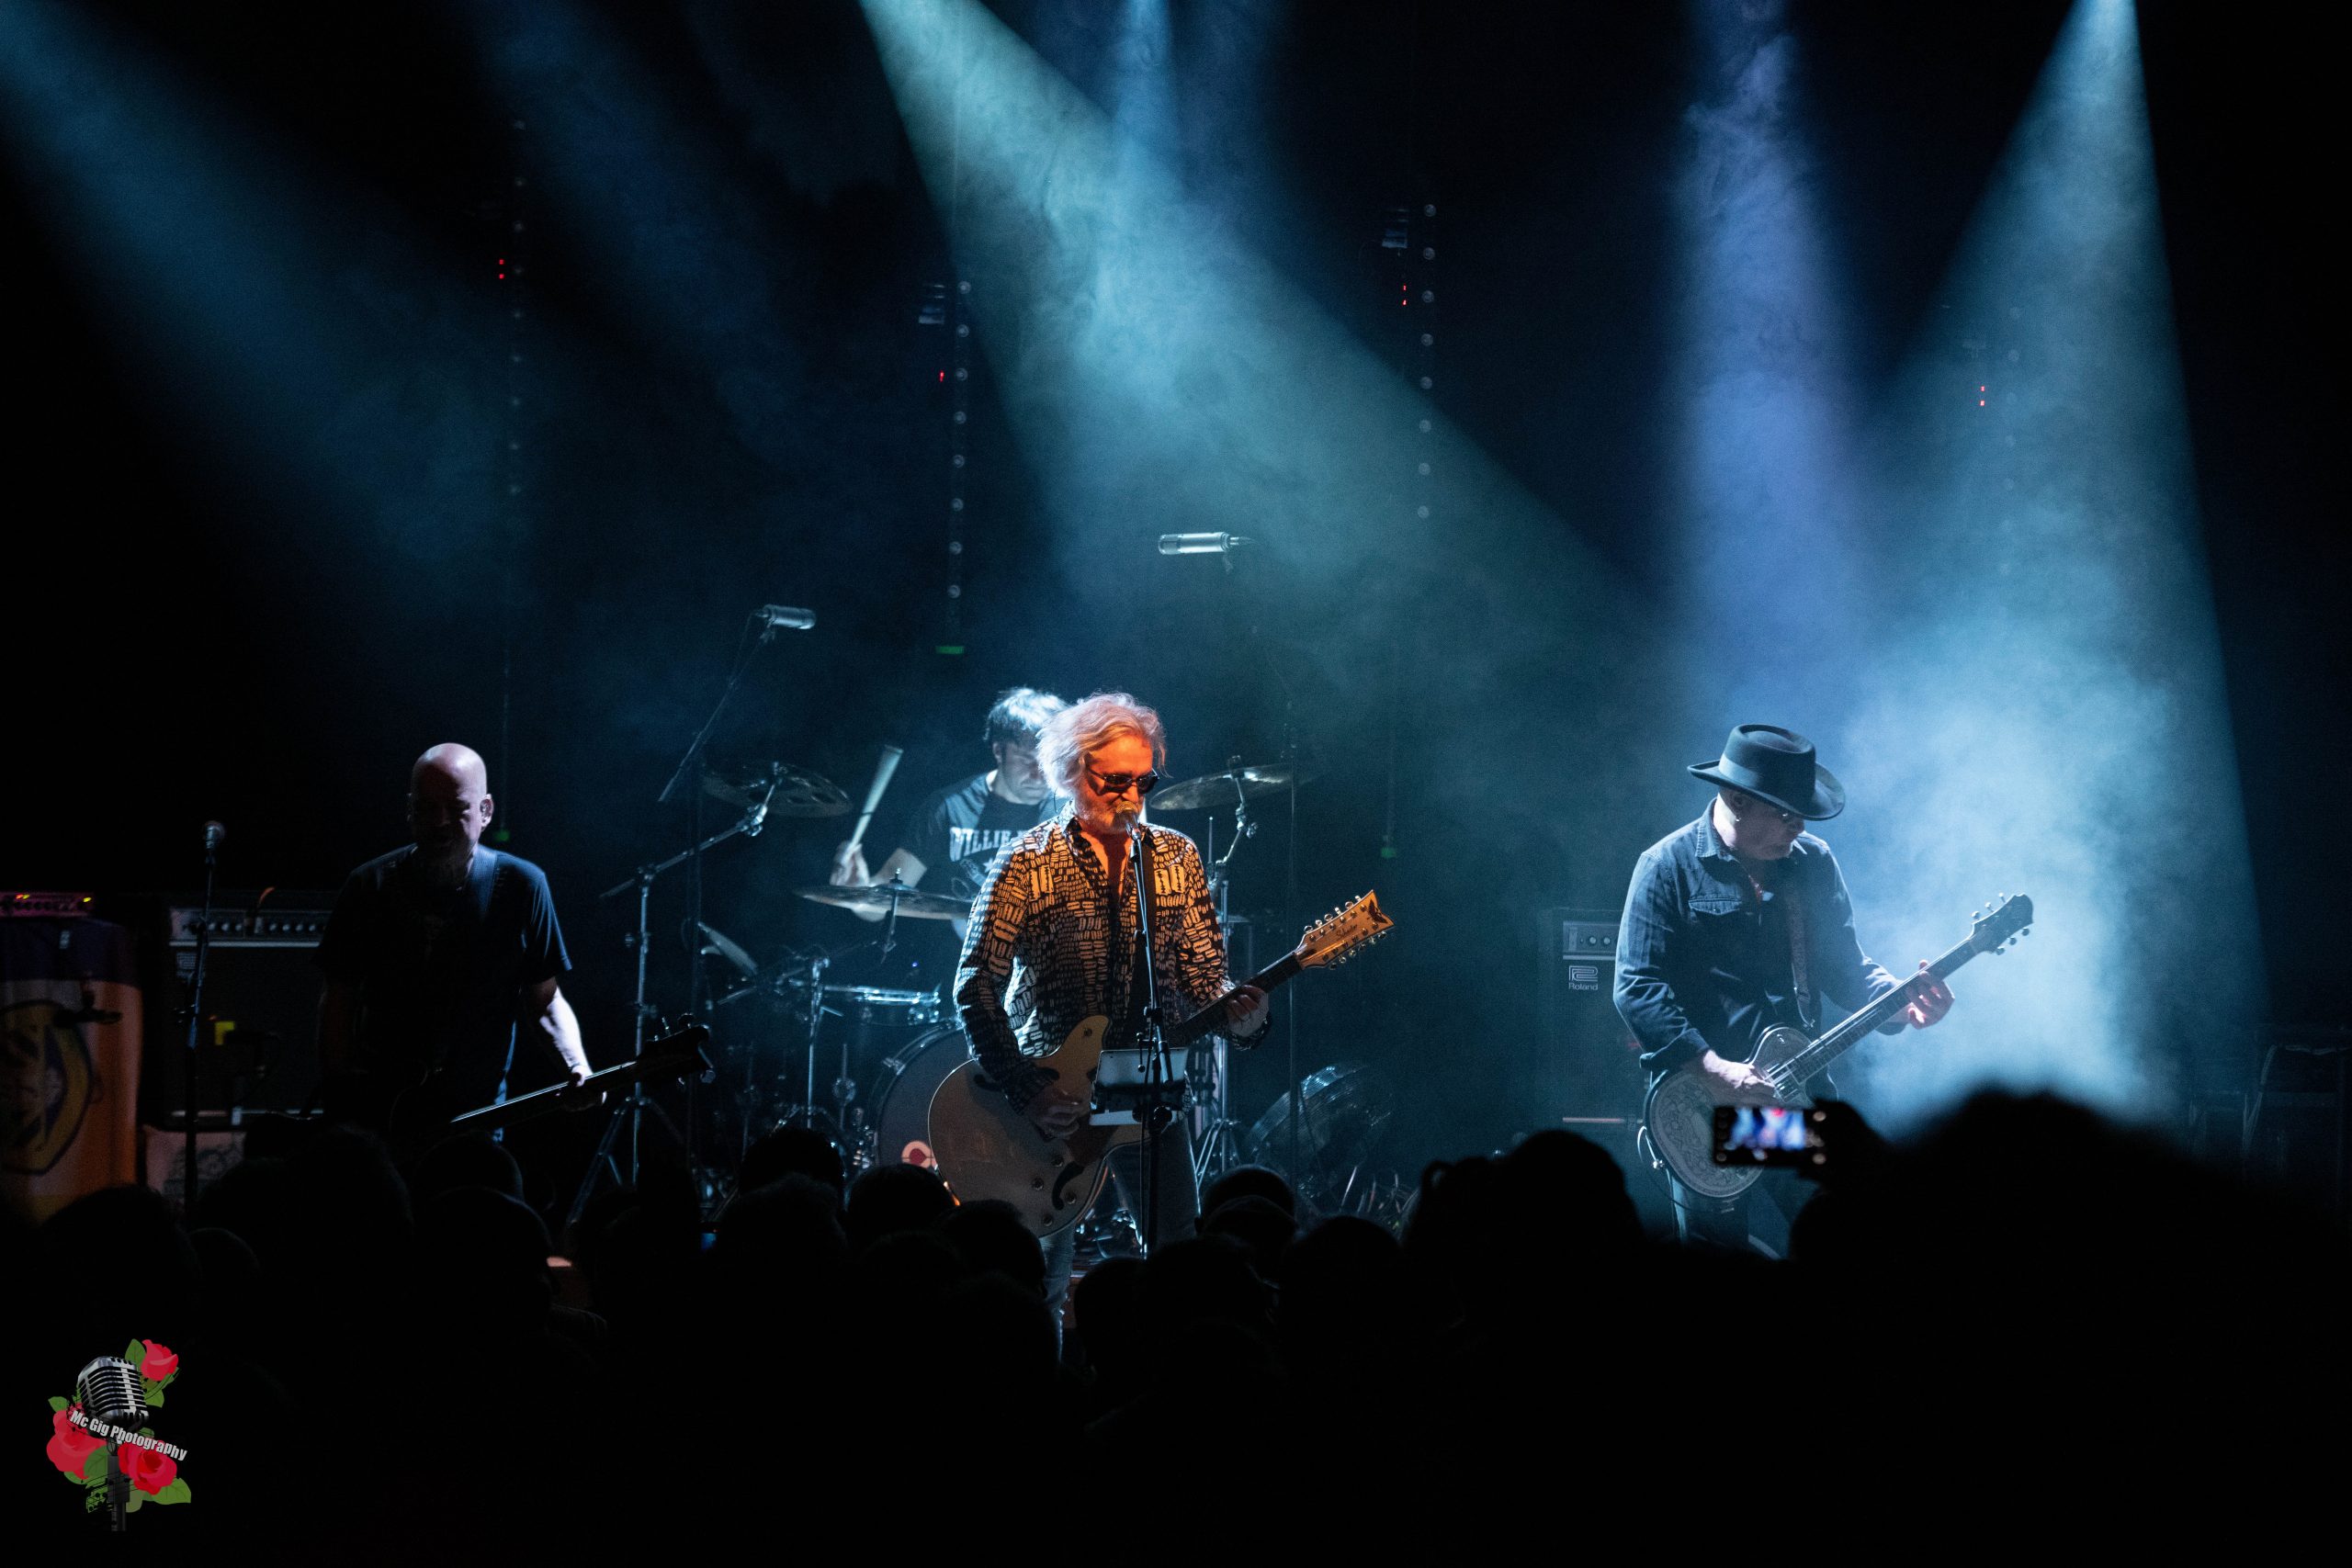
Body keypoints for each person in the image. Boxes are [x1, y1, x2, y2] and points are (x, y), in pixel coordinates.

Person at [955, 692, 1270, 1312]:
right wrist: (1025, 1086)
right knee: (1037, 1279)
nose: (1131, 795)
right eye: (1115, 780)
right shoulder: (1026, 861)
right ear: (1071, 773)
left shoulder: (1175, 856)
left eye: (1143, 780)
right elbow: (976, 983)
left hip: (1149, 1093)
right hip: (1053, 1098)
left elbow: (1205, 979)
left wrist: (1243, 1016)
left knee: (1179, 1265)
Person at [1613, 724, 1951, 1253]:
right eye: (1786, 815)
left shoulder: (1812, 864)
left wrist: (1901, 1004)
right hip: (1709, 1107)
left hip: (1792, 1097)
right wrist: (1712, 1067)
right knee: (1716, 1259)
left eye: (1802, 816)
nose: (1797, 828)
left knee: (1847, 1238)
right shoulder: (1666, 867)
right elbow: (1636, 985)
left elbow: (1845, 965)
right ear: (1736, 800)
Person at [316, 743, 591, 1136]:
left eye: (457, 807)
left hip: (475, 1117)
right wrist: (339, 1102)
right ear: (409, 809)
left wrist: (576, 1066)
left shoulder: (522, 887)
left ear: (485, 810)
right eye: (427, 808)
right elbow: (337, 1001)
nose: (440, 821)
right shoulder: (368, 886)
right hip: (379, 1113)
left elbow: (545, 999)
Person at [829, 686, 1069, 930]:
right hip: (967, 950)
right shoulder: (949, 808)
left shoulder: (1070, 809)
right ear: (999, 751)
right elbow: (883, 901)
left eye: (1047, 762)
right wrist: (857, 893)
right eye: (1026, 760)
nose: (1039, 776)